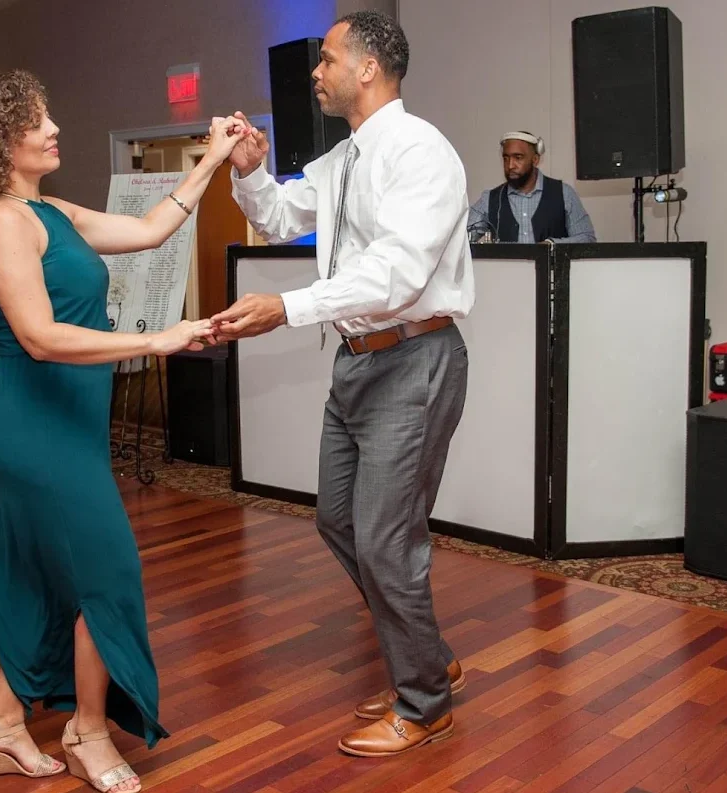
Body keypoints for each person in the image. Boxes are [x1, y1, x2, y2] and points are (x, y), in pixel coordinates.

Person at [0, 70, 246, 792]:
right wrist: (157, 339)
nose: (54, 129)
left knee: (49, 577)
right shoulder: (1, 221)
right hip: (35, 425)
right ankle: (87, 731)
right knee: (107, 570)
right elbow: (38, 336)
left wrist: (213, 157)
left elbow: (151, 228)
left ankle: (0, 727)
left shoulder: (50, 211)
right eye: (37, 121)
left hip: (70, 420)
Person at [214, 11, 474, 758]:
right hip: (358, 361)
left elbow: (397, 275)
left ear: (368, 68)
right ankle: (429, 658)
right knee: (340, 521)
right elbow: (277, 215)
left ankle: (424, 704)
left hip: (413, 358)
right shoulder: (342, 159)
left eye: (327, 59)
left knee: (387, 541)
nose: (316, 72)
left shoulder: (421, 152)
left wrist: (287, 307)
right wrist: (250, 169)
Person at [467, 131, 596, 243]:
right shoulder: (490, 199)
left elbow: (587, 238)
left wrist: (552, 245)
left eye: (518, 157)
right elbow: (463, 236)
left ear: (535, 160)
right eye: (506, 158)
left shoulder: (564, 193)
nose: (510, 165)